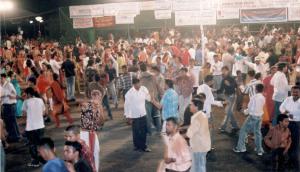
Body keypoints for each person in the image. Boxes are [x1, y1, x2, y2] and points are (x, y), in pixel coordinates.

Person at [233, 84, 265, 156]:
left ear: (256, 89)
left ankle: (240, 148)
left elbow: (250, 108)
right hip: (260, 117)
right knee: (257, 133)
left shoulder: (254, 97)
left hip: (252, 117)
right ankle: (259, 150)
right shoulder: (263, 98)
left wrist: (244, 111)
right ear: (262, 90)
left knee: (243, 131)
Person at [80, 90, 104, 172]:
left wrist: (99, 108)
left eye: (98, 96)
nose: (96, 97)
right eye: (94, 95)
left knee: (96, 152)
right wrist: (91, 103)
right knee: (85, 153)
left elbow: (101, 122)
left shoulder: (99, 107)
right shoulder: (87, 105)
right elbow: (82, 105)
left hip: (93, 133)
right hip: (84, 133)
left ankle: (95, 170)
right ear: (92, 97)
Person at [124, 78, 151, 152]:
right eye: (136, 84)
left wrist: (149, 94)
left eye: (139, 83)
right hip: (134, 115)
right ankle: (136, 146)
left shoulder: (144, 89)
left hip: (143, 113)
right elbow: (127, 105)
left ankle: (144, 146)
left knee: (144, 130)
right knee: (136, 131)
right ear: (133, 84)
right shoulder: (129, 93)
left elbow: (148, 99)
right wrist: (128, 116)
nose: (138, 85)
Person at [197, 75, 223, 149]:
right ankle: (208, 146)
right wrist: (221, 103)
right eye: (212, 81)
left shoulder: (200, 87)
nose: (213, 82)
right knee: (210, 129)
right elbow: (212, 101)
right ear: (210, 81)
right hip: (207, 112)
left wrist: (213, 90)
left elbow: (207, 90)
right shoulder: (207, 89)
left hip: (200, 111)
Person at [22, 87, 46, 167]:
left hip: (31, 127)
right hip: (40, 126)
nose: (24, 95)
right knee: (40, 144)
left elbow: (24, 115)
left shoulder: (26, 102)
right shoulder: (40, 100)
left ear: (28, 94)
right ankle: (43, 159)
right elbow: (44, 112)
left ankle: (35, 161)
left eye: (25, 93)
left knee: (32, 145)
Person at [186, 96, 210, 172]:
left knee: (199, 167)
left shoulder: (196, 118)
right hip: (204, 145)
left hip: (199, 147)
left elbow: (189, 134)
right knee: (199, 165)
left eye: (191, 105)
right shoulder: (203, 115)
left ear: (196, 107)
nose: (190, 106)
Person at [279, 85, 300, 170]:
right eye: (293, 92)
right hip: (287, 124)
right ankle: (286, 160)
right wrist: (286, 113)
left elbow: (297, 112)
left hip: (296, 124)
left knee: (294, 144)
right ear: (291, 92)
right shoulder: (288, 99)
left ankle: (293, 162)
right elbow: (281, 107)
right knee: (285, 142)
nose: (294, 93)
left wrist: (292, 114)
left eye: (296, 92)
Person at [139, 63, 161, 134]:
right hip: (154, 96)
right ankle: (159, 129)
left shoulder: (140, 77)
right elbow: (157, 85)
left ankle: (149, 131)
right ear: (147, 68)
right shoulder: (153, 76)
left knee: (148, 116)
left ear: (140, 69)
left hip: (146, 98)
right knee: (157, 115)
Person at [217, 66, 239, 132]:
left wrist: (229, 85)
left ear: (228, 71)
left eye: (224, 70)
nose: (223, 72)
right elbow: (221, 90)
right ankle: (235, 126)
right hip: (227, 96)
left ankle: (223, 127)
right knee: (229, 112)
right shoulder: (223, 79)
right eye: (222, 70)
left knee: (227, 111)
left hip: (232, 96)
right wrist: (213, 90)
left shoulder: (232, 78)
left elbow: (235, 86)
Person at [0, 73, 20, 142]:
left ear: (4, 78)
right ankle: (12, 136)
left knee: (12, 121)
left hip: (10, 105)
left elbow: (15, 94)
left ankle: (16, 136)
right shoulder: (1, 86)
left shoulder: (9, 85)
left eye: (1, 78)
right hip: (4, 105)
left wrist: (7, 95)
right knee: (8, 122)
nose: (0, 80)